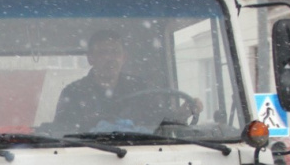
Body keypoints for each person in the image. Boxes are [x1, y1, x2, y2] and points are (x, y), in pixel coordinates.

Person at [53, 30, 199, 131]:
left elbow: (160, 124)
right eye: (103, 52)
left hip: (138, 155)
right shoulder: (73, 93)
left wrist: (181, 114)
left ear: (124, 57)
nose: (110, 58)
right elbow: (62, 135)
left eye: (115, 52)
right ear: (90, 58)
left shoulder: (141, 88)